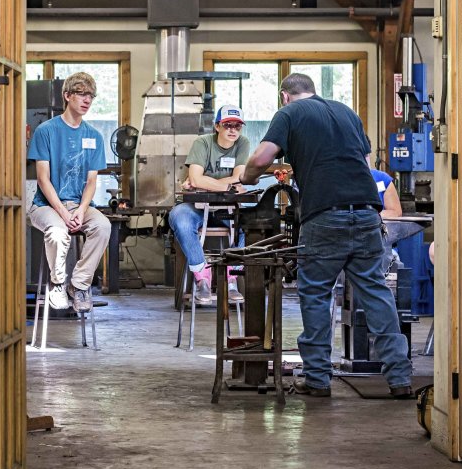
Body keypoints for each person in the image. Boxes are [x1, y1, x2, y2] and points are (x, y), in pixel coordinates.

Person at [241, 73, 414, 398]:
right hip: (366, 212)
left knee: (317, 294)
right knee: (375, 293)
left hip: (324, 215)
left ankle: (318, 379)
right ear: (314, 91)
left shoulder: (289, 113)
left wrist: (246, 176)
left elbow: (262, 159)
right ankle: (400, 379)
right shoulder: (346, 112)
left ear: (285, 96)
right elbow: (362, 162)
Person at [26, 72, 111, 313]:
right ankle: (57, 283)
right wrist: (63, 213)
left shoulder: (93, 136)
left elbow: (91, 181)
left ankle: (79, 285)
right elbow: (43, 179)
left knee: (103, 227)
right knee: (57, 232)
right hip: (46, 206)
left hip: (79, 205)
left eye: (91, 96)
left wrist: (82, 210)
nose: (87, 100)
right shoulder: (46, 131)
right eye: (81, 94)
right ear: (67, 96)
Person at [168, 104, 250, 305]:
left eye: (237, 126)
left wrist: (206, 183)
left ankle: (233, 275)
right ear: (217, 126)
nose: (232, 130)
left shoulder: (243, 143)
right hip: (197, 207)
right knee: (179, 218)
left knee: (251, 223)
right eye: (227, 125)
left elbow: (239, 180)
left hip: (227, 209)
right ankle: (202, 276)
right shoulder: (202, 143)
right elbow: (195, 180)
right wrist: (227, 183)